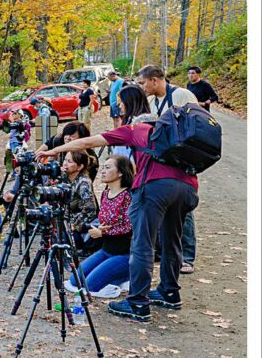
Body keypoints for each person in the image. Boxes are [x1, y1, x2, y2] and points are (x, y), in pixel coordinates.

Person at [37, 108, 199, 323]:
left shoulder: (137, 129)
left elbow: (87, 142)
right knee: (172, 240)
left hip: (156, 188)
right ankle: (169, 292)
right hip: (187, 188)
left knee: (143, 244)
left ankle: (137, 302)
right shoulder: (175, 136)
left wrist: (53, 150)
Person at [135, 65, 200, 274]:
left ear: (154, 80)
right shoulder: (152, 103)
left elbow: (198, 124)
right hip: (161, 162)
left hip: (182, 162)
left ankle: (187, 256)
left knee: (183, 212)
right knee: (164, 211)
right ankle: (165, 252)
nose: (142, 87)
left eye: (143, 83)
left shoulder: (182, 95)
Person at [64, 155, 135, 298]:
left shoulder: (129, 195)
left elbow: (129, 226)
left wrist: (103, 233)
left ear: (120, 172)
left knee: (90, 285)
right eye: (103, 167)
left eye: (107, 168)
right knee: (75, 280)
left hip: (124, 253)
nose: (102, 171)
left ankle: (126, 277)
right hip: (106, 249)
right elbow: (105, 222)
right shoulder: (105, 193)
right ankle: (115, 277)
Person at [61, 150, 99, 246]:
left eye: (70, 162)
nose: (65, 163)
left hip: (80, 228)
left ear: (80, 166)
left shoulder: (83, 182)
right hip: (66, 222)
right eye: (65, 160)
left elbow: (90, 209)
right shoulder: (65, 177)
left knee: (62, 237)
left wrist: (75, 225)